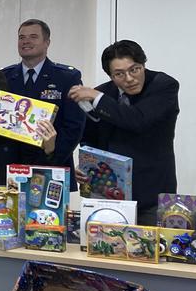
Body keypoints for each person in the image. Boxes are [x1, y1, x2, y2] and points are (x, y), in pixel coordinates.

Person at [69, 40, 179, 225]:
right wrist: (86, 165)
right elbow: (89, 137)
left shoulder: (163, 85)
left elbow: (138, 120)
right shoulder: (102, 93)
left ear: (143, 64)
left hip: (152, 193)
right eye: (119, 74)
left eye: (134, 69)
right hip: (108, 194)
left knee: (153, 251)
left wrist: (97, 98)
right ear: (110, 75)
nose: (129, 78)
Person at [2, 19, 85, 185]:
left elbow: (74, 126)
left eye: (33, 36)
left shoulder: (67, 77)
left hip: (52, 165)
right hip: (11, 166)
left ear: (47, 42)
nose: (26, 41)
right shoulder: (5, 76)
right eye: (21, 37)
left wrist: (53, 153)